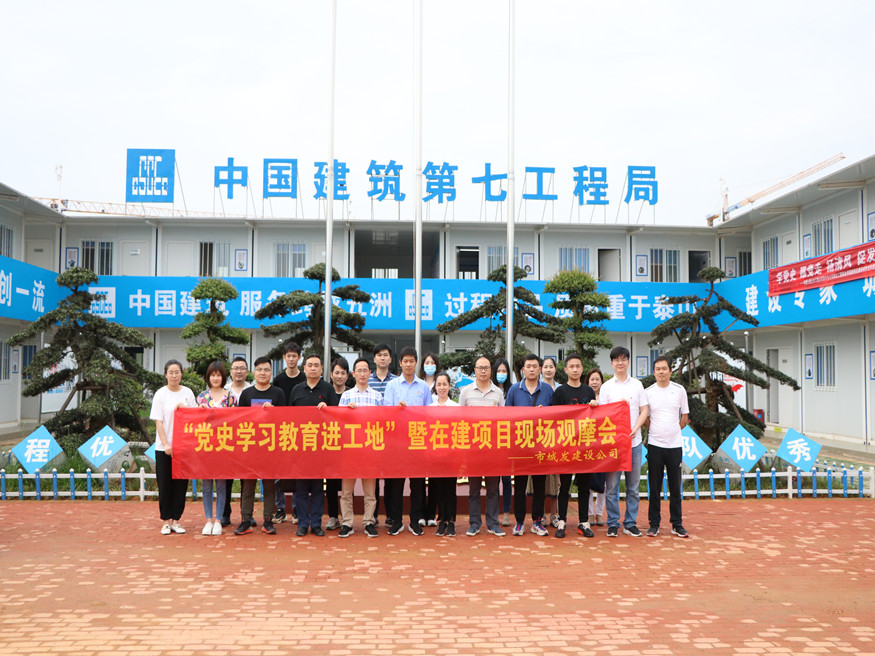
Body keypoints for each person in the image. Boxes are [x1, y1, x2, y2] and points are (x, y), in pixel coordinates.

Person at [599, 346, 649, 538]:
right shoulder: (606, 387)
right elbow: (602, 414)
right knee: (611, 487)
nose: (620, 363)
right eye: (616, 360)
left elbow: (644, 410)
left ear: (628, 362)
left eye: (623, 359)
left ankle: (630, 523)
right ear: (612, 363)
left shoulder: (637, 385)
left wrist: (636, 427)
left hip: (634, 443)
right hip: (614, 444)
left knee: (633, 488)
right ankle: (613, 523)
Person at [235, 356, 287, 536]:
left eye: (266, 370)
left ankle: (268, 521)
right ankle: (246, 520)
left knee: (269, 486)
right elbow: (239, 420)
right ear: (254, 372)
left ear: (271, 373)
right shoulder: (246, 394)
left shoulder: (278, 394)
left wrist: (275, 413)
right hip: (250, 447)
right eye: (259, 370)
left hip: (270, 448)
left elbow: (286, 421)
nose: (263, 373)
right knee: (247, 486)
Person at [382, 346, 431, 536]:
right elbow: (386, 412)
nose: (409, 364)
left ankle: (415, 521)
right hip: (397, 442)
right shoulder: (392, 386)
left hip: (417, 441)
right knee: (396, 484)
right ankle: (396, 521)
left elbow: (429, 413)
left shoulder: (423, 387)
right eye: (405, 361)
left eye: (412, 361)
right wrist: (397, 408)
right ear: (400, 363)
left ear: (416, 363)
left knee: (417, 484)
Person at [289, 354, 339, 537]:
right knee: (301, 489)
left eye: (316, 365)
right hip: (300, 447)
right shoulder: (296, 390)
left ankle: (317, 524)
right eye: (309, 365)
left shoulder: (328, 389)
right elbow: (288, 417)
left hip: (321, 447)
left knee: (318, 488)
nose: (313, 368)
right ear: (304, 368)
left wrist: (327, 409)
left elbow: (337, 416)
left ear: (321, 369)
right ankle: (302, 524)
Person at [506, 353, 554, 537]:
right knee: (519, 486)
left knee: (539, 486)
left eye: (535, 366)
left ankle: (537, 521)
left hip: (541, 446)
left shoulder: (547, 390)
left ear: (540, 369)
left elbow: (556, 417)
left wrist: (544, 414)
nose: (532, 369)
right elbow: (506, 417)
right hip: (520, 446)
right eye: (528, 366)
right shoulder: (514, 390)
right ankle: (519, 522)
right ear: (523, 370)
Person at [550, 353, 597, 538]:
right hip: (566, 447)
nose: (575, 369)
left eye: (578, 366)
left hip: (584, 447)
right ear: (566, 369)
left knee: (584, 486)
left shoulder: (588, 391)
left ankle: (583, 522)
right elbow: (554, 418)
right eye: (572, 366)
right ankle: (561, 521)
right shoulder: (560, 392)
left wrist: (595, 406)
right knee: (564, 486)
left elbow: (594, 418)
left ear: (582, 369)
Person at [460, 355, 506, 537]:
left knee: (493, 488)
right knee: (474, 488)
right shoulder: (466, 392)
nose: (483, 371)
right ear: (475, 370)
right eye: (480, 368)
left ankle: (493, 524)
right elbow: (460, 420)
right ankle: (474, 524)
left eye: (486, 368)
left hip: (492, 448)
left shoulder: (498, 393)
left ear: (491, 370)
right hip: (473, 449)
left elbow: (503, 420)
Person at [645, 356, 690, 538]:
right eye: (658, 369)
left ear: (671, 371)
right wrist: (657, 431)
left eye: (664, 368)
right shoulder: (648, 392)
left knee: (675, 487)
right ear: (653, 372)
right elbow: (646, 418)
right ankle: (654, 524)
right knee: (654, 488)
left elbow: (684, 417)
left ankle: (677, 524)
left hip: (675, 445)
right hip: (655, 445)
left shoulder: (679, 390)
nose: (661, 372)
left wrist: (673, 431)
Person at [337, 358, 383, 538]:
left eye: (365, 370)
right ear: (353, 374)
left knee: (370, 492)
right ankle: (347, 523)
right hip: (350, 451)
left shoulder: (377, 397)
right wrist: (346, 412)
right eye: (359, 370)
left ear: (370, 373)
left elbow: (383, 422)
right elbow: (338, 423)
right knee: (346, 491)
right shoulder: (346, 396)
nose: (362, 374)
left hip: (370, 450)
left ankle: (369, 522)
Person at [150, 359, 196, 535]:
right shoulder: (160, 394)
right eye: (171, 372)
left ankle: (176, 520)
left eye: (177, 372)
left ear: (181, 374)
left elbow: (195, 417)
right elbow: (158, 421)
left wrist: (185, 409)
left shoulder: (187, 393)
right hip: (164, 448)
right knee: (165, 485)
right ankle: (165, 521)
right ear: (165, 375)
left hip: (183, 448)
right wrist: (165, 444)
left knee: (180, 485)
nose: (174, 376)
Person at [196, 360, 236, 536]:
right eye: (212, 375)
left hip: (223, 445)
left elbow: (235, 420)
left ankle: (218, 520)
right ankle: (208, 520)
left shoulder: (230, 397)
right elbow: (194, 421)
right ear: (208, 377)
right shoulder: (201, 397)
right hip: (205, 445)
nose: (215, 378)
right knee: (206, 485)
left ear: (223, 377)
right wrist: (198, 411)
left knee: (221, 485)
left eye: (218, 375)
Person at [272, 342, 305, 525]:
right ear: (284, 357)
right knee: (278, 473)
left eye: (294, 356)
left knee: (297, 472)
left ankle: (297, 509)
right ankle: (280, 509)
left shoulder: (304, 379)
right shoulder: (278, 380)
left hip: (301, 433)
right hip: (280, 432)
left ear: (299, 358)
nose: (291, 359)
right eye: (288, 356)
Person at [220, 356, 251, 527]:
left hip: (247, 440)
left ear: (247, 372)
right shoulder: (222, 390)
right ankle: (225, 513)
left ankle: (247, 515)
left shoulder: (253, 390)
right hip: (227, 440)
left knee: (247, 480)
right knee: (226, 479)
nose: (239, 371)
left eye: (242, 368)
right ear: (230, 372)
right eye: (235, 368)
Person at [368, 343, 396, 525]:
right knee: (374, 478)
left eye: (385, 355)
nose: (382, 358)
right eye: (379, 355)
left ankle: (391, 515)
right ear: (374, 359)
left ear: (390, 359)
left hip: (392, 436)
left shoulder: (397, 381)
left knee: (391, 478)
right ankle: (374, 515)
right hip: (371, 436)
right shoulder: (366, 380)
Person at [430, 371, 458, 537]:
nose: (441, 387)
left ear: (449, 386)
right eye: (439, 384)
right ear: (435, 387)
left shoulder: (456, 407)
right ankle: (442, 521)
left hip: (452, 456)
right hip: (436, 456)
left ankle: (451, 521)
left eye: (444, 384)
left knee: (451, 489)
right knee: (439, 489)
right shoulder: (429, 408)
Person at [325, 358, 350, 531]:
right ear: (331, 374)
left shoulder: (351, 394)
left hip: (349, 445)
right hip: (331, 444)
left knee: (349, 483)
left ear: (347, 376)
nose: (339, 376)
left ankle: (348, 517)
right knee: (332, 483)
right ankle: (333, 516)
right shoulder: (326, 393)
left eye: (343, 373)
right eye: (337, 373)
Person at [419, 352, 441, 527]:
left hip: (437, 434)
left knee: (435, 477)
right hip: (419, 434)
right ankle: (420, 513)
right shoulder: (418, 383)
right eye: (427, 362)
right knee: (419, 477)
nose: (430, 365)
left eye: (432, 362)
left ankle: (432, 514)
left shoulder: (441, 383)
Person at [492, 357, 514, 527]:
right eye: (498, 371)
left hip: (508, 441)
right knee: (493, 481)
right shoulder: (491, 390)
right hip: (491, 440)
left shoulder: (512, 391)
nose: (501, 374)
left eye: (504, 371)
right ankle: (493, 514)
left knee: (506, 480)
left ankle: (506, 513)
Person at [585, 368, 607, 526]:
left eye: (597, 379)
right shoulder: (584, 396)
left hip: (603, 444)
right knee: (587, 481)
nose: (594, 382)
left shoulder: (607, 397)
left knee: (602, 482)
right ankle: (589, 514)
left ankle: (599, 513)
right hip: (587, 444)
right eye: (591, 379)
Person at [541, 356, 561, 526]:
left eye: (551, 366)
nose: (548, 369)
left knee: (556, 480)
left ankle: (555, 514)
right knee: (540, 480)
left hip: (558, 441)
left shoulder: (561, 389)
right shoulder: (538, 388)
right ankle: (540, 514)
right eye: (545, 366)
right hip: (541, 441)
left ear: (555, 369)